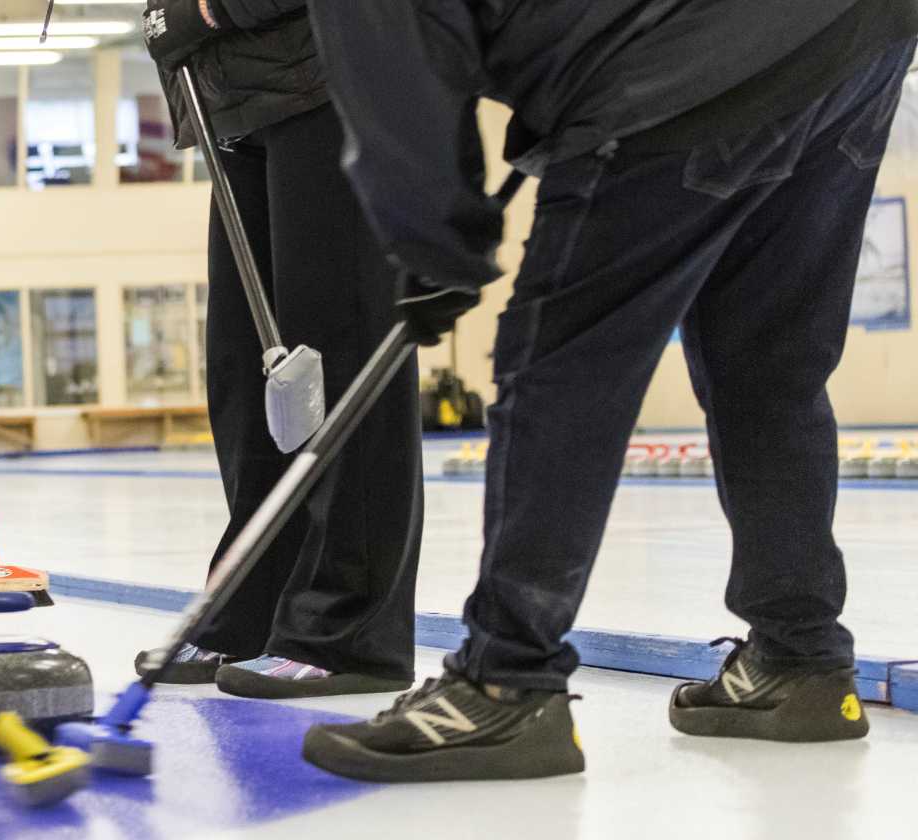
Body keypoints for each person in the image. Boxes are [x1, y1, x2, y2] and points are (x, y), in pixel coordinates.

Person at [298, 0, 915, 782]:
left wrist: (434, 245)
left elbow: (394, 74)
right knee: (770, 366)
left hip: (673, 61)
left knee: (560, 365)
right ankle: (801, 661)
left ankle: (504, 682)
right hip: (855, 34)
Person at [130, 0, 421, 699]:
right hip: (231, 98)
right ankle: (251, 605)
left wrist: (211, 7)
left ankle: (348, 632)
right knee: (246, 374)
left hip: (330, 79)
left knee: (343, 350)